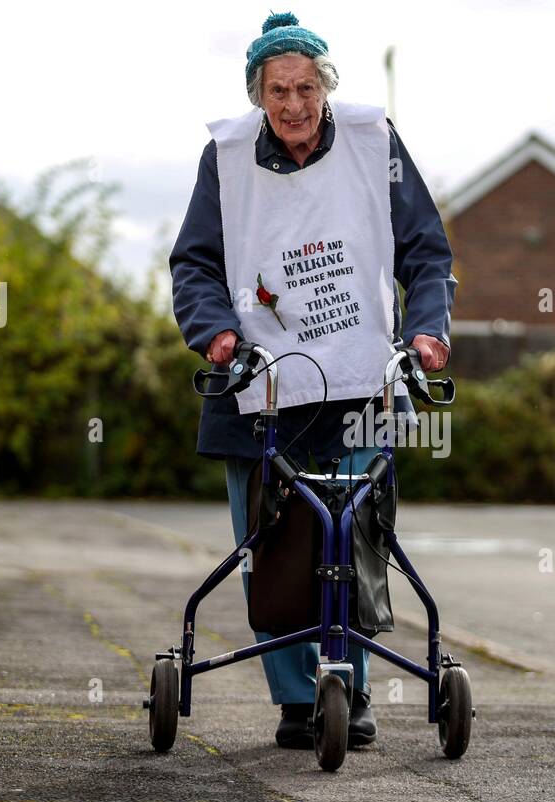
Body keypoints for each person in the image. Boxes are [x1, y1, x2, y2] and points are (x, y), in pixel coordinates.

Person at [169, 11, 455, 749]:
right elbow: (195, 264)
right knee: (275, 544)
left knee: (354, 538)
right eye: (277, 91)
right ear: (257, 95)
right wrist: (216, 333)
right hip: (259, 386)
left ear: (327, 88)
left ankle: (349, 688)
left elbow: (425, 251)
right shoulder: (225, 159)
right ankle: (298, 699)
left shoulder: (372, 143)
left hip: (360, 380)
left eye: (305, 88)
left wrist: (426, 329)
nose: (292, 105)